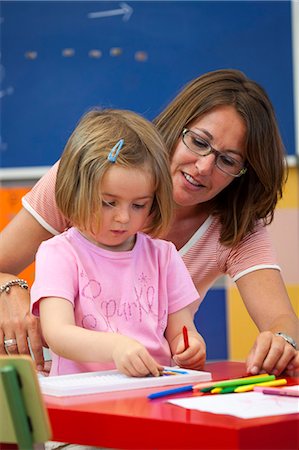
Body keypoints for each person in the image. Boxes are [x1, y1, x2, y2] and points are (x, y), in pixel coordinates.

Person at [0, 69, 298, 377]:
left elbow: (280, 320)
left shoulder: (215, 232)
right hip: (66, 381)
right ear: (176, 126)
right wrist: (8, 287)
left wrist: (280, 341)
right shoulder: (91, 175)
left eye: (228, 161)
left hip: (149, 386)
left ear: (243, 172)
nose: (204, 167)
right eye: (198, 141)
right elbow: (53, 326)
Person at [29, 108, 205, 377]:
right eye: (108, 203)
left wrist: (189, 346)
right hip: (84, 398)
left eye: (138, 205)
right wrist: (116, 347)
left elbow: (182, 330)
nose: (123, 218)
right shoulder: (59, 253)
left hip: (152, 388)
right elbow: (57, 334)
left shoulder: (164, 256)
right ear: (77, 189)